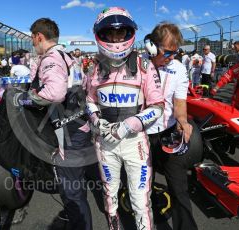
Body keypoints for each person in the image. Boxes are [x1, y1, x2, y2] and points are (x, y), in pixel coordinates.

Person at [86, 7, 164, 230]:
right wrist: (95, 120)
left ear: (130, 34)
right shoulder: (95, 68)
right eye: (110, 33)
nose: (116, 39)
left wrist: (130, 124)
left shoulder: (144, 66)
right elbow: (89, 101)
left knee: (140, 200)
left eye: (121, 33)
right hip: (105, 143)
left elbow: (158, 105)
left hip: (135, 143)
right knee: (110, 197)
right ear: (101, 35)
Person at [29, 18, 95, 230]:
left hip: (69, 132)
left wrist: (28, 97)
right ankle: (76, 220)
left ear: (39, 37)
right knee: (76, 185)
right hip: (79, 126)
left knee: (71, 189)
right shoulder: (69, 57)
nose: (33, 43)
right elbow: (84, 85)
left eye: (33, 39)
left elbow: (55, 93)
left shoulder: (51, 58)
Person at [144, 22, 201, 230]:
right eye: (168, 52)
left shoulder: (178, 68)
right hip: (140, 134)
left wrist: (183, 121)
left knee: (179, 188)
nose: (172, 57)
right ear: (151, 46)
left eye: (175, 52)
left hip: (168, 133)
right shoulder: (138, 65)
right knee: (142, 187)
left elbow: (179, 102)